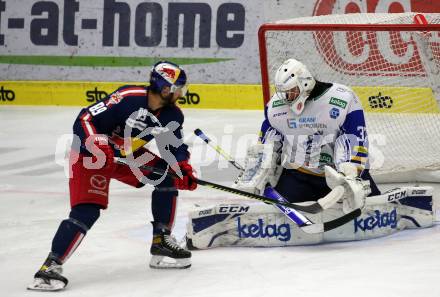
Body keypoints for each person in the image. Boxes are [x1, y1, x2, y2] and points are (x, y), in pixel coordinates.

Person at [28, 61, 198, 291]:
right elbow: (84, 119)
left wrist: (182, 167)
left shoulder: (171, 114)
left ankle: (161, 241)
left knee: (167, 176)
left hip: (123, 155)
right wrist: (96, 143)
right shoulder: (128, 97)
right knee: (87, 211)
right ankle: (50, 267)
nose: (181, 94)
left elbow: (175, 147)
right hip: (91, 153)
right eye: (178, 88)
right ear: (165, 88)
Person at [234, 58, 380, 212]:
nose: (286, 97)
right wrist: (258, 169)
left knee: (371, 207)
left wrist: (350, 176)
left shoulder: (343, 98)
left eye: (291, 91)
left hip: (339, 179)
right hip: (299, 176)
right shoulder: (275, 108)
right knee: (271, 211)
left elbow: (355, 140)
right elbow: (268, 144)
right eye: (283, 93)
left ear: (305, 83)